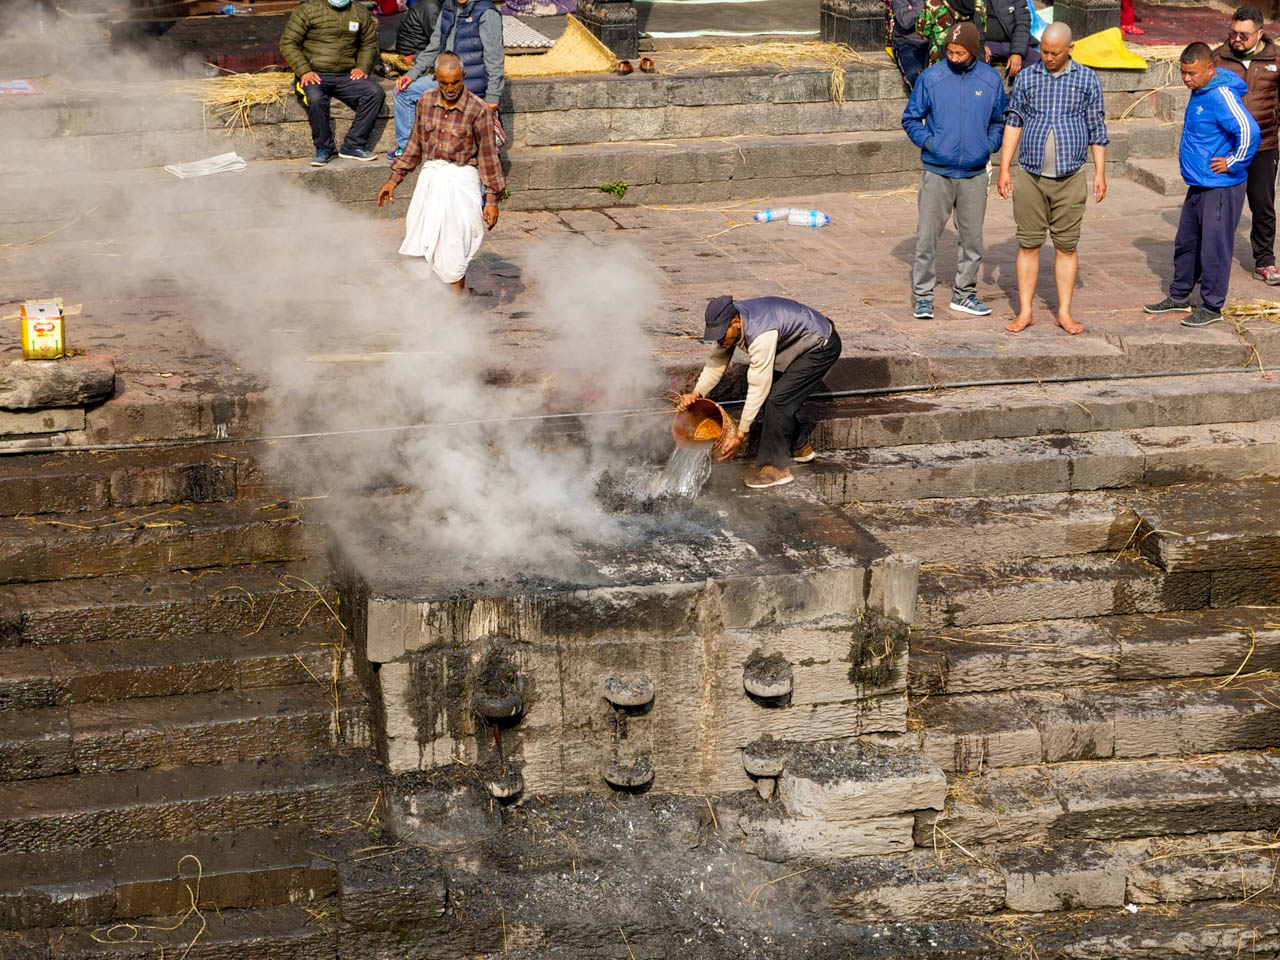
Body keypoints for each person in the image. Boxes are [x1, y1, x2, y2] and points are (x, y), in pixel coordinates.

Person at [998, 22, 1109, 335]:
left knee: (1066, 246)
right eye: (1044, 51)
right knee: (1028, 243)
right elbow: (1014, 121)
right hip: (1030, 174)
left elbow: (1097, 127)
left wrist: (1100, 172)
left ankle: (1064, 312)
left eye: (1054, 53)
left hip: (1070, 175)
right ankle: (1025, 311)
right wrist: (1005, 167)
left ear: (1070, 49)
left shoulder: (1086, 79)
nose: (1047, 57)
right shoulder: (1028, 77)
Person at [1144, 43, 1259, 327]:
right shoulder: (1200, 91)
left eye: (1192, 73)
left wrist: (1234, 161)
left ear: (1210, 68)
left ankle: (1212, 305)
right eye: (1183, 72)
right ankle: (1179, 294)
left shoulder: (1220, 94)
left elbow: (1249, 130)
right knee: (1187, 242)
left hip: (1220, 186)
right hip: (1199, 182)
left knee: (1214, 248)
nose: (1186, 79)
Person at [676, 296, 842, 490]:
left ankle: (776, 469)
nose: (720, 340)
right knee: (778, 396)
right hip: (796, 346)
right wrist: (696, 393)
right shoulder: (729, 325)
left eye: (722, 334)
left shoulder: (760, 332)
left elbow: (758, 385)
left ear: (736, 322)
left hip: (820, 347)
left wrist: (740, 434)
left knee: (778, 399)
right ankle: (799, 447)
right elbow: (716, 363)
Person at [902, 23, 1007, 320]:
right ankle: (923, 296)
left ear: (973, 52)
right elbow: (911, 119)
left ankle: (964, 294)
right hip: (937, 171)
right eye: (950, 51)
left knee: (972, 240)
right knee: (926, 238)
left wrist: (988, 146)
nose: (954, 57)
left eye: (960, 52)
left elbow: (999, 120)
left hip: (974, 173)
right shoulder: (931, 78)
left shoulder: (989, 80)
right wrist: (932, 144)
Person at [376, 54, 503, 292]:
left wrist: (492, 200)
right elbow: (414, 144)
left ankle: (455, 313)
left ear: (463, 77)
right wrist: (393, 180)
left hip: (462, 182)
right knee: (425, 244)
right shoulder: (425, 101)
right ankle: (432, 307)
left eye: (455, 82)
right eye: (444, 83)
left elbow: (488, 157)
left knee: (453, 249)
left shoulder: (478, 110)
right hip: (431, 179)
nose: (450, 88)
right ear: (436, 79)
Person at [1214, 6, 1280, 285]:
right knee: (1219, 207)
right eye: (1232, 32)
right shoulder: (1218, 58)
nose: (1236, 39)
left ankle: (1264, 261)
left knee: (1263, 204)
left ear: (1260, 33)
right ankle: (1213, 261)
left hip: (1264, 144)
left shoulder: (1276, 58)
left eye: (1243, 34)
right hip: (1226, 147)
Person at [390, 0, 504, 159]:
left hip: (471, 84)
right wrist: (412, 74)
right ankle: (407, 149)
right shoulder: (449, 7)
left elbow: (495, 58)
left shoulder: (486, 12)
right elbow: (434, 46)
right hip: (445, 80)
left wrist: (493, 95)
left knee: (475, 155)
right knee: (403, 91)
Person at [279, 0, 385, 166]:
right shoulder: (308, 9)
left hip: (346, 75)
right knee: (315, 100)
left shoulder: (359, 11)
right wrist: (304, 70)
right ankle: (324, 148)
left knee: (374, 93)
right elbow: (288, 42)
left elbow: (369, 43)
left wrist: (363, 67)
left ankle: (353, 144)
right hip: (314, 73)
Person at [918, 0, 986, 65]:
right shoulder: (978, 3)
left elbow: (922, 32)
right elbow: (983, 28)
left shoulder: (932, 3)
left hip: (940, 61)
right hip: (972, 61)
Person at [984, 0, 1040, 76]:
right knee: (980, 60)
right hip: (988, 44)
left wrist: (1017, 52)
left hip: (1012, 42)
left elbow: (1022, 22)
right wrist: (979, 44)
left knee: (1041, 64)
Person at [891, 0, 931, 90]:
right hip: (909, 43)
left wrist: (914, 9)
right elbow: (906, 21)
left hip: (935, 42)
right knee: (916, 75)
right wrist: (927, 4)